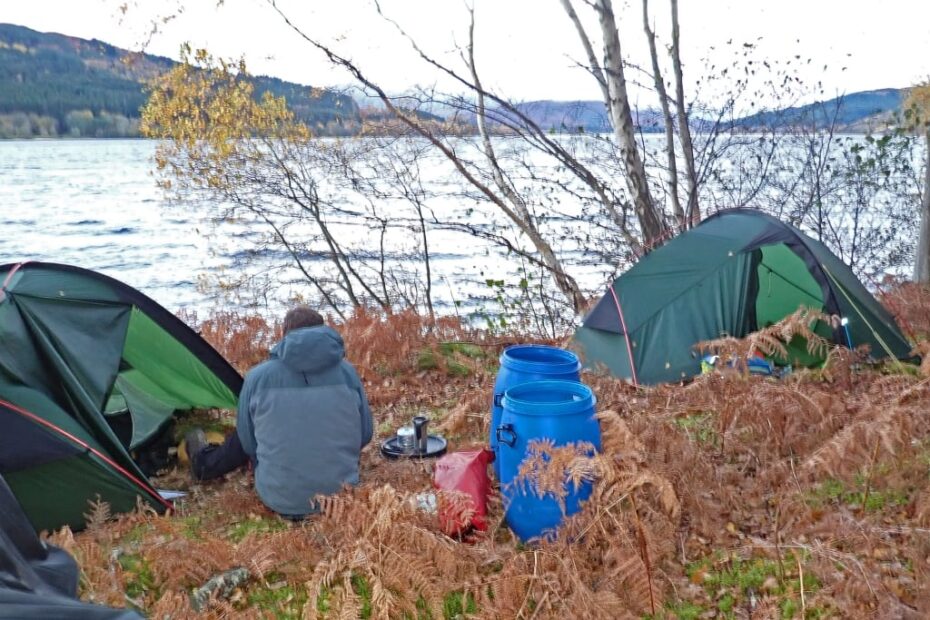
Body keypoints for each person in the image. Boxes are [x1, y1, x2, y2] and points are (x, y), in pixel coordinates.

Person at [185, 306, 373, 518]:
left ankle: (203, 462)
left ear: (284, 335)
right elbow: (365, 434)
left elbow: (248, 444)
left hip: (280, 499)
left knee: (255, 427)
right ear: (323, 332)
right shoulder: (348, 373)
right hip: (341, 495)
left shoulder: (257, 377)